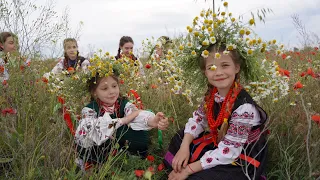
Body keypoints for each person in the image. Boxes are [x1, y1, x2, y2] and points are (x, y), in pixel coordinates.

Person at [164, 43, 268, 180]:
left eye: (225, 65)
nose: (218, 72)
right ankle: (182, 167)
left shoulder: (244, 108)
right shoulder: (212, 96)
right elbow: (198, 119)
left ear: (236, 67)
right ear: (205, 72)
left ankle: (185, 171)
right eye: (211, 67)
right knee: (181, 136)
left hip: (240, 154)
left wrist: (188, 170)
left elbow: (229, 151)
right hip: (221, 142)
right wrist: (184, 147)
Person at [74, 70, 169, 169]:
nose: (111, 91)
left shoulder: (123, 104)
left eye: (114, 86)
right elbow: (90, 129)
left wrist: (153, 121)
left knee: (140, 134)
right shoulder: (89, 109)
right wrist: (124, 120)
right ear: (95, 92)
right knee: (96, 136)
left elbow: (136, 115)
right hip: (102, 149)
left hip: (120, 143)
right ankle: (97, 164)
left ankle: (128, 157)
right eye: (104, 88)